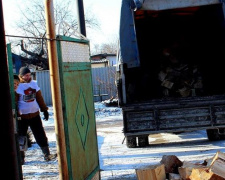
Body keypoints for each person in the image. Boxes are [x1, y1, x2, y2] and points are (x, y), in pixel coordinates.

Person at [15, 66, 57, 164]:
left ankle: (47, 154)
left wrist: (44, 110)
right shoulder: (18, 86)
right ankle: (21, 158)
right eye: (26, 75)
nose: (28, 77)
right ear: (21, 76)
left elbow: (39, 98)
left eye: (29, 75)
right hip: (22, 117)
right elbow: (15, 101)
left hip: (34, 115)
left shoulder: (34, 84)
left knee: (40, 134)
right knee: (22, 137)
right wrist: (16, 113)